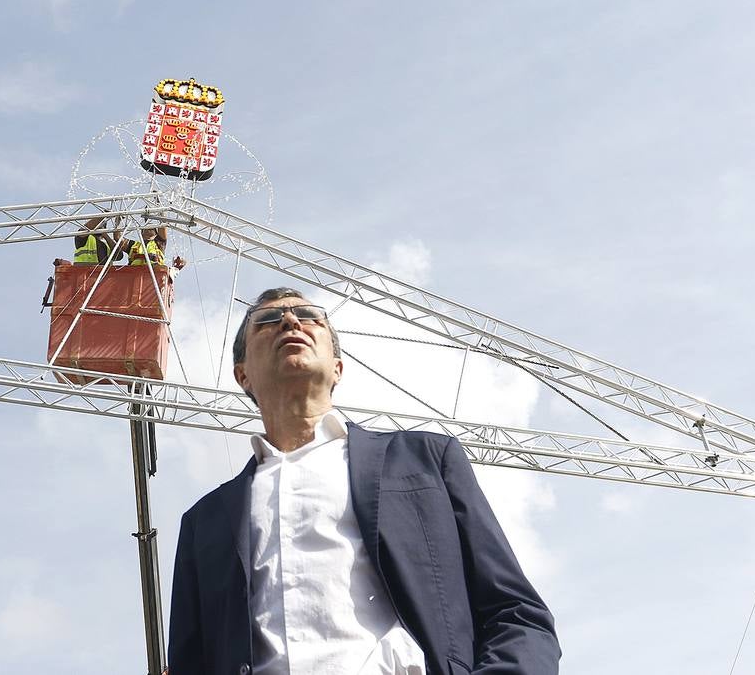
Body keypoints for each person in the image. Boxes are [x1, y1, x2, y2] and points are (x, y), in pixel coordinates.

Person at [167, 287, 560, 675]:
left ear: (337, 367)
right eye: (268, 321)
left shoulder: (425, 461)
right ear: (243, 375)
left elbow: (516, 614)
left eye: (310, 317)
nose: (290, 321)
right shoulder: (205, 522)